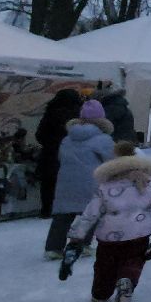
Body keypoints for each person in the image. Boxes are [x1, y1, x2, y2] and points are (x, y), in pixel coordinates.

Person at [64, 141, 151, 302]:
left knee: (104, 265)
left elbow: (90, 214)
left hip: (108, 235)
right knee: (133, 260)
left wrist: (76, 237)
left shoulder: (105, 186)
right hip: (139, 233)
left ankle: (100, 294)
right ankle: (127, 280)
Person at [47, 99, 115, 256]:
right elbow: (111, 161)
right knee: (91, 213)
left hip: (66, 182)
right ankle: (82, 245)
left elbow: (60, 157)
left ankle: (53, 248)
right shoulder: (103, 139)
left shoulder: (67, 138)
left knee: (63, 215)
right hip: (91, 181)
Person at [34, 88, 82, 224]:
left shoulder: (51, 112)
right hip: (72, 155)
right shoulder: (79, 115)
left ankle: (46, 210)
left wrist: (51, 143)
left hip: (50, 154)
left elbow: (40, 135)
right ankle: (66, 210)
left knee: (48, 182)